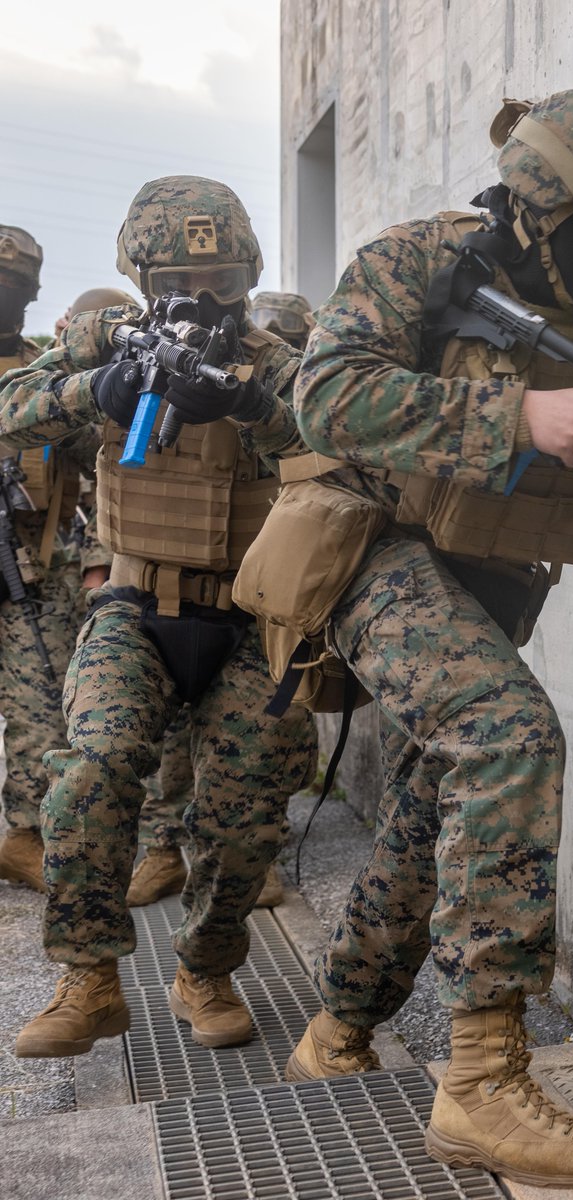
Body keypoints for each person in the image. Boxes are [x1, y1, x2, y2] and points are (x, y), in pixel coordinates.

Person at [255, 91, 573, 1188]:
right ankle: (482, 1081)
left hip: (486, 580)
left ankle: (337, 1031)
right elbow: (324, 396)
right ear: (548, 204)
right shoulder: (424, 258)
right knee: (508, 738)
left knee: (430, 811)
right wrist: (519, 417)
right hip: (368, 543)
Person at [0, 177, 317, 1058]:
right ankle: (90, 980)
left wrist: (253, 406)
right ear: (144, 280)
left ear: (249, 275)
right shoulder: (103, 343)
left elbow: (338, 439)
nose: (203, 299)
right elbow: (8, 411)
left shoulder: (277, 358)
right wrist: (95, 388)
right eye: (180, 281)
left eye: (222, 281)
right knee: (90, 774)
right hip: (133, 604)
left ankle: (204, 971)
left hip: (254, 616)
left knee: (246, 809)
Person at [0, 228, 109, 893]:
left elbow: (104, 467)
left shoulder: (44, 376)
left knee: (40, 713)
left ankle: (24, 836)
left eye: (13, 288)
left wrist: (98, 559)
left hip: (29, 575)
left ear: (32, 294)